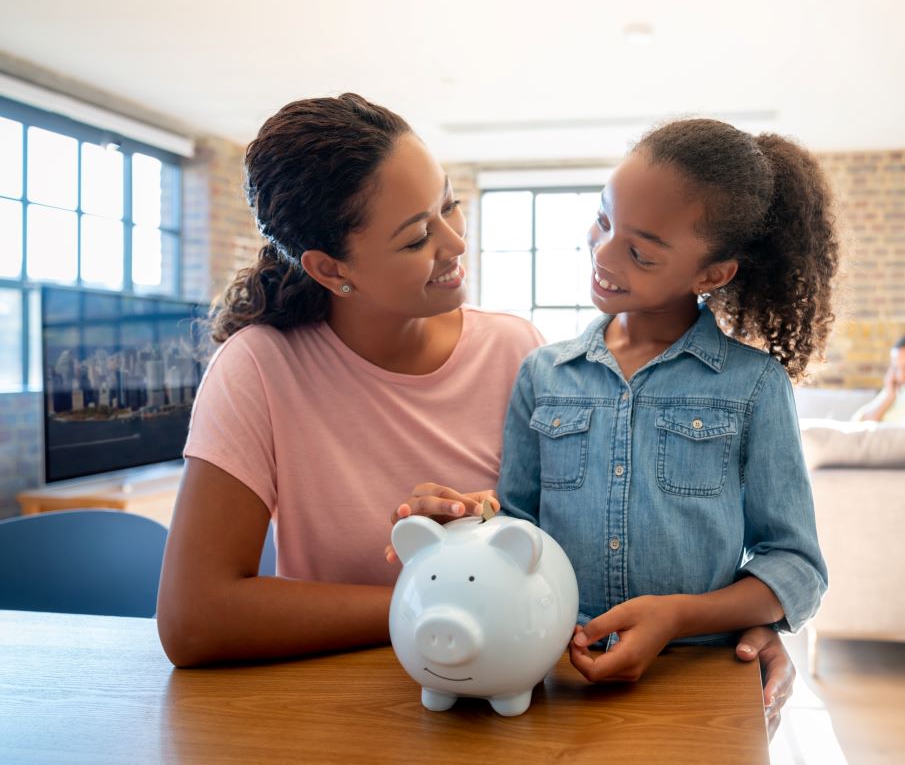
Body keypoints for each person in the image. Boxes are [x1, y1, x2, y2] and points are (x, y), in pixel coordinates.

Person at [155, 95, 794, 724]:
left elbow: (595, 542)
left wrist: (736, 620)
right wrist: (437, 599)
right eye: (415, 239)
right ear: (331, 267)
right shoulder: (258, 369)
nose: (456, 242)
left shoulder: (520, 351)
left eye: (449, 204)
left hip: (523, 708)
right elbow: (195, 620)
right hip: (351, 710)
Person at [495, 118, 835, 685]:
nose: (603, 254)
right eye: (603, 219)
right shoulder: (543, 374)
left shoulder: (753, 386)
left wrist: (678, 616)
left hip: (696, 671)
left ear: (713, 273)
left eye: (642, 254)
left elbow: (797, 567)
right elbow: (516, 530)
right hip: (551, 665)